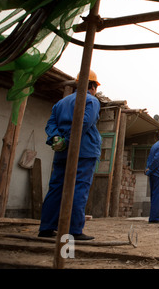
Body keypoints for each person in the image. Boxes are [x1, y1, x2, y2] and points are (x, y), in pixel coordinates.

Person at [38, 70, 101, 240]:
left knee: (57, 187)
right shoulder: (91, 101)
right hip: (84, 152)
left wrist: (57, 139)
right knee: (79, 188)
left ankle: (46, 227)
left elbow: (51, 124)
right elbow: (84, 123)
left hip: (62, 152)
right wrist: (68, 139)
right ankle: (73, 230)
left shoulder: (61, 103)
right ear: (93, 86)